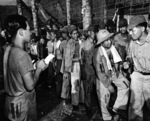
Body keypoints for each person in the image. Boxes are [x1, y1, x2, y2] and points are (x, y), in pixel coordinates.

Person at [3, 14, 47, 121]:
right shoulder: (22, 54)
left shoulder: (7, 49)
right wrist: (39, 69)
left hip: (9, 103)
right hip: (22, 107)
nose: (31, 32)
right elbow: (30, 86)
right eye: (28, 28)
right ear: (21, 32)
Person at [94, 29, 124, 121]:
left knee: (124, 86)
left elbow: (117, 61)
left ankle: (117, 111)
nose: (109, 41)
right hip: (102, 79)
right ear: (101, 43)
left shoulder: (112, 48)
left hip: (112, 74)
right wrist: (108, 85)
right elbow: (99, 72)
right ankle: (107, 118)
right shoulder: (98, 54)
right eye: (106, 40)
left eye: (109, 39)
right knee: (105, 100)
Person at [126, 15, 150, 121]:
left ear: (143, 28)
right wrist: (127, 62)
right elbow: (129, 57)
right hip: (137, 76)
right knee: (135, 106)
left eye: (133, 30)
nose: (130, 33)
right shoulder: (132, 43)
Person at [61, 25, 81, 112]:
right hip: (71, 66)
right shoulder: (69, 44)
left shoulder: (79, 42)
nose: (76, 35)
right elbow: (66, 57)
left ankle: (77, 102)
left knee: (77, 85)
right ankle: (73, 103)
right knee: (72, 85)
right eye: (74, 34)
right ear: (70, 34)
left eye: (76, 33)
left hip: (77, 66)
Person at [80, 26, 95, 118]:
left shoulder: (96, 43)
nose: (95, 34)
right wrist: (83, 72)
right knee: (88, 91)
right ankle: (88, 110)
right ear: (89, 33)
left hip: (95, 71)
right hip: (87, 70)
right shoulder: (84, 45)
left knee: (94, 91)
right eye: (93, 32)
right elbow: (81, 60)